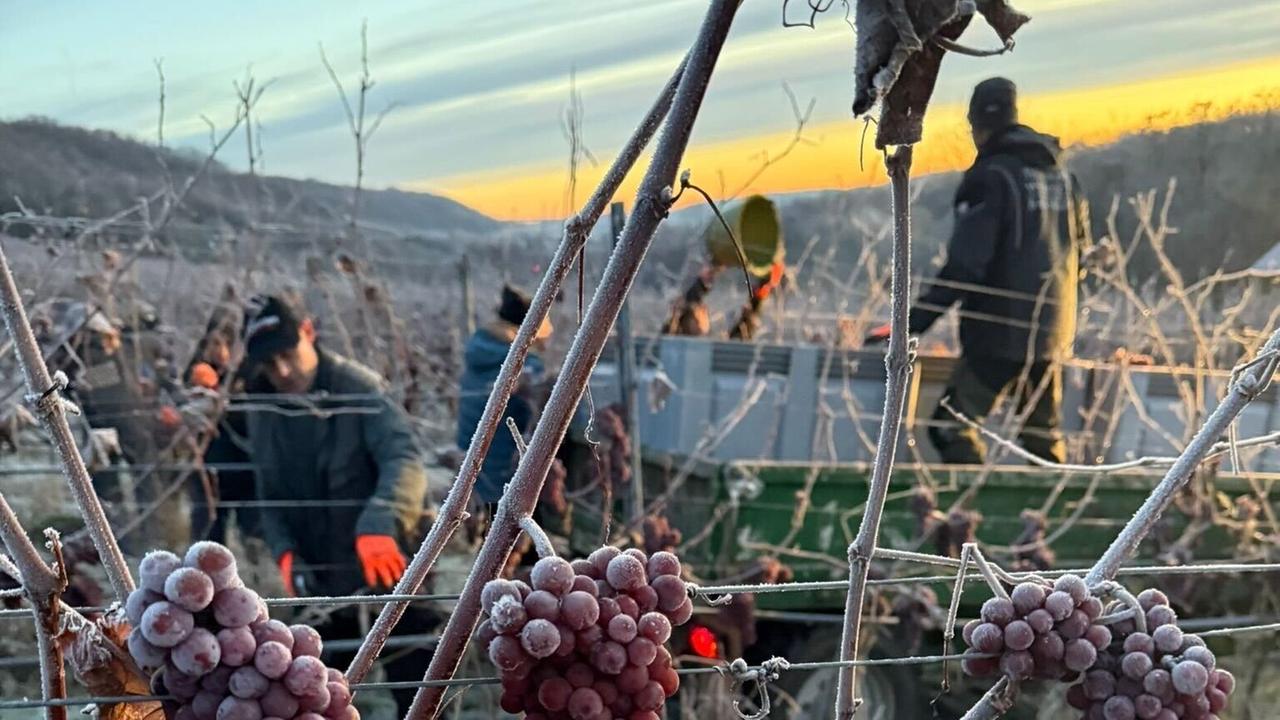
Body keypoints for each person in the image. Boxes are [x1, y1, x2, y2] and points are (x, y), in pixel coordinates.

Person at [867, 77, 1089, 464]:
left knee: (950, 427)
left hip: (999, 335)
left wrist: (910, 324)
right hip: (1053, 333)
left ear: (978, 126)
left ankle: (970, 519)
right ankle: (1053, 517)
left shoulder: (991, 178)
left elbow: (966, 267)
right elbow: (1079, 257)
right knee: (1042, 440)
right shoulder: (1064, 178)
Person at [241, 293, 433, 713]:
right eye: (270, 364)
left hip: (392, 569)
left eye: (288, 354)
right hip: (323, 586)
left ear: (309, 332)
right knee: (314, 699)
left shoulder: (359, 389)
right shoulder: (263, 407)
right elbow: (268, 493)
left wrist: (382, 521)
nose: (283, 371)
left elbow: (404, 459)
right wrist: (284, 550)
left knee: (422, 695)